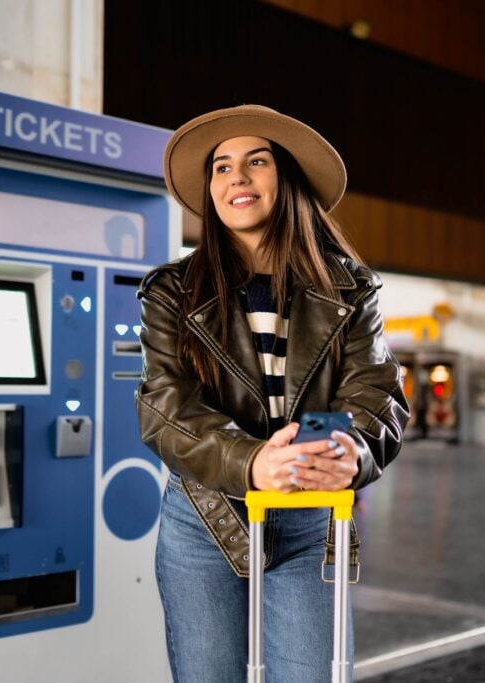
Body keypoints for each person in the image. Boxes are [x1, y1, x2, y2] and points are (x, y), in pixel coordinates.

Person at [136, 105, 409, 682]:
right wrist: (253, 460)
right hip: (205, 520)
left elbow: (376, 393)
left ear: (287, 178)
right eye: (221, 166)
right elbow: (165, 405)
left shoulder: (352, 289)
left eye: (256, 161)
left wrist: (354, 452)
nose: (236, 176)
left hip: (310, 516)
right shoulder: (171, 292)